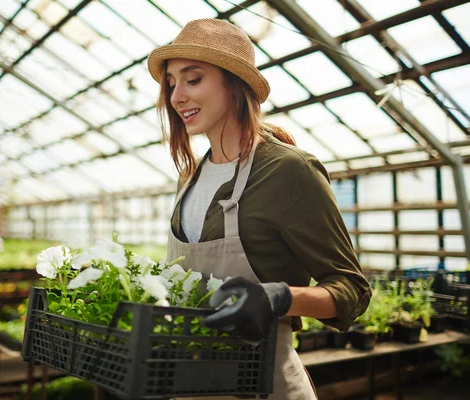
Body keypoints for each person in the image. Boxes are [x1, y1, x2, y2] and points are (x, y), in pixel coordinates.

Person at [147, 19, 371, 399]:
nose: (176, 97)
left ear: (235, 82)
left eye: (193, 79)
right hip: (189, 385)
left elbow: (352, 289)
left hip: (264, 386)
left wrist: (279, 297)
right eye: (171, 83)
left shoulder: (288, 170)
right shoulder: (190, 178)